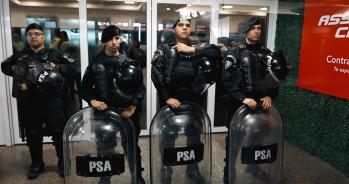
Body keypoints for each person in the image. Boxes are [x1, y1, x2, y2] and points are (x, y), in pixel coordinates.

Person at [151, 18, 221, 184]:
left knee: (194, 136)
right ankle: (166, 168)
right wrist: (167, 97)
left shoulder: (197, 47)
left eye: (187, 26)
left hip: (193, 100)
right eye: (181, 25)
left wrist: (192, 49)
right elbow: (156, 74)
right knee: (168, 137)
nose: (184, 28)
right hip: (171, 101)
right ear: (174, 29)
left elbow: (216, 52)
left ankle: (192, 169)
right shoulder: (165, 49)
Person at [1, 23, 74, 179]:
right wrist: (14, 69)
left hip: (53, 101)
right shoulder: (19, 55)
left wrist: (57, 67)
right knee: (33, 134)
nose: (33, 36)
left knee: (58, 132)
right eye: (30, 34)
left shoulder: (54, 53)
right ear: (26, 37)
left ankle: (63, 163)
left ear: (43, 36)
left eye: (37, 33)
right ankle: (37, 164)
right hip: (30, 102)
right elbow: (4, 66)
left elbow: (72, 69)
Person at [221, 17, 289, 184]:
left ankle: (253, 168)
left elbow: (274, 79)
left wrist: (269, 96)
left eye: (259, 28)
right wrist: (243, 98)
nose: (257, 31)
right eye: (253, 28)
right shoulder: (235, 52)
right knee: (235, 141)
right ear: (246, 30)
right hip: (239, 105)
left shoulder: (266, 53)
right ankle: (229, 173)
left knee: (258, 139)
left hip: (261, 106)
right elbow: (226, 80)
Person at [80, 25, 146, 184]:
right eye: (109, 39)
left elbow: (140, 89)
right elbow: (83, 89)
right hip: (104, 113)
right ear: (104, 42)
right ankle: (104, 179)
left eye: (116, 38)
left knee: (132, 147)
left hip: (127, 113)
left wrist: (134, 106)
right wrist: (93, 101)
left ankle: (136, 177)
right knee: (104, 149)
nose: (114, 42)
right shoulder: (96, 64)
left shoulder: (129, 62)